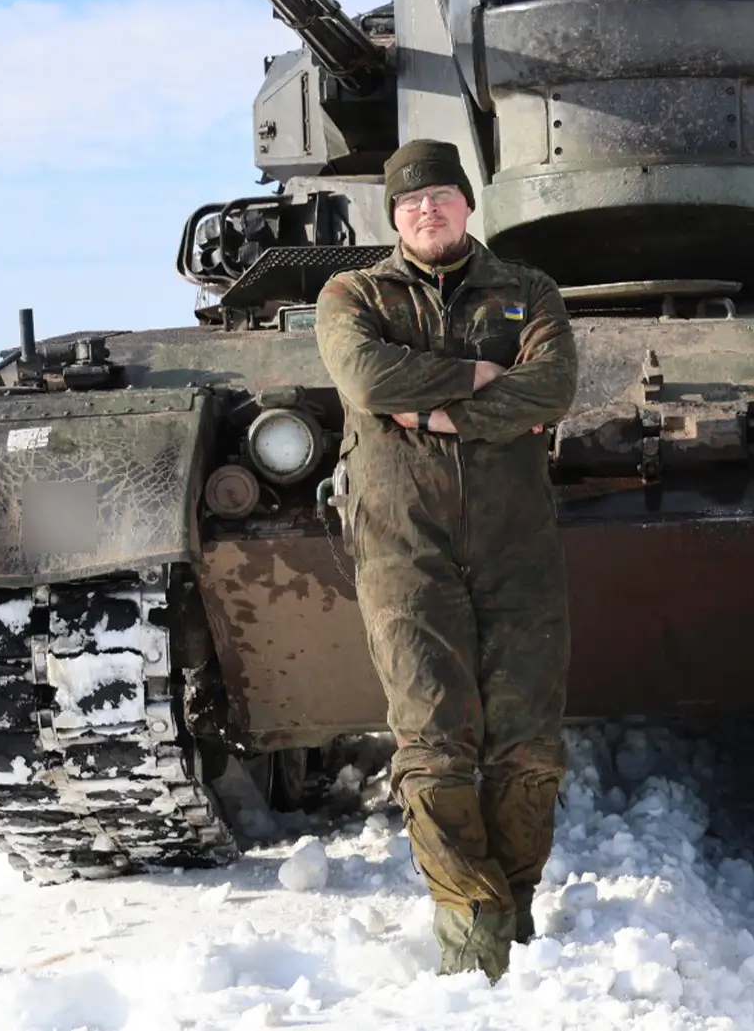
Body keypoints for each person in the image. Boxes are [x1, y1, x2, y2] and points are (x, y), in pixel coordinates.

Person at [315, 139, 578, 981]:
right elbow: (362, 374)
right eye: (410, 200)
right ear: (392, 215)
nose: (426, 209)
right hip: (405, 554)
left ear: (469, 204)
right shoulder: (353, 292)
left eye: (441, 195)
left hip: (517, 549)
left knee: (528, 743)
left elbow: (552, 387)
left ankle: (516, 907)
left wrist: (435, 415)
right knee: (432, 741)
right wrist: (474, 374)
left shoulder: (528, 290)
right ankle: (473, 935)